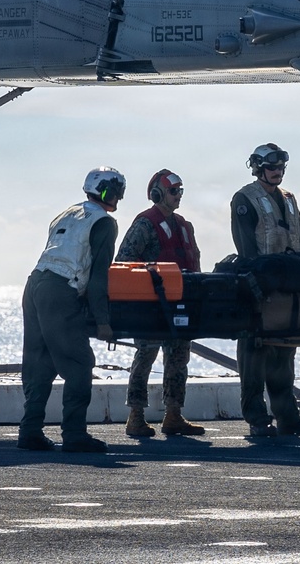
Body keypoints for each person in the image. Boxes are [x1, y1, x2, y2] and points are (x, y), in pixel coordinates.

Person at [17, 167, 126, 454]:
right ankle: (75, 434)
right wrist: (102, 321)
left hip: (35, 284)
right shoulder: (104, 222)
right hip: (60, 290)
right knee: (79, 362)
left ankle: (29, 430)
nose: (118, 198)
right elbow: (99, 275)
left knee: (39, 362)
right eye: (117, 192)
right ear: (107, 191)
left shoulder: (66, 213)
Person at [230, 143, 300, 437]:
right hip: (259, 289)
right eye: (271, 167)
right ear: (258, 168)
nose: (277, 171)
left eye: (280, 167)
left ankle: (288, 418)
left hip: (290, 291)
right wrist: (257, 286)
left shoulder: (290, 199)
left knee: (284, 356)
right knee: (254, 356)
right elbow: (246, 247)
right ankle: (257, 418)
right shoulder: (245, 199)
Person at [118, 169, 205, 438]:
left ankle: (173, 415)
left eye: (180, 191)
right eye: (173, 191)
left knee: (179, 358)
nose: (178, 196)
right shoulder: (144, 225)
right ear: (157, 194)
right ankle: (135, 416)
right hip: (150, 307)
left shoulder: (184, 226)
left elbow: (194, 264)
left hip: (180, 304)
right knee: (145, 355)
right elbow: (124, 261)